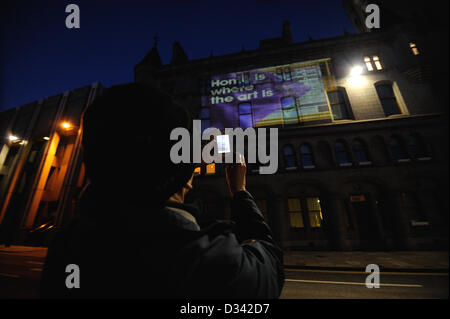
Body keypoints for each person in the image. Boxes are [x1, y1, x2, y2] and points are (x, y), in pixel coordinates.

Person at [40, 83, 284, 298]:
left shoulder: (67, 245)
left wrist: (184, 163)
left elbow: (138, 164)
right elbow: (269, 259)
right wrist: (240, 192)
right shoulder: (209, 263)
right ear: (182, 176)